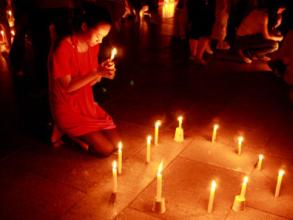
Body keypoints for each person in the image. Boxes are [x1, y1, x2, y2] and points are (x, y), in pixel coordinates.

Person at [48, 3, 120, 157]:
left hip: (86, 102)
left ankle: (77, 132)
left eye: (103, 37)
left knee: (116, 144)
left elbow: (90, 81)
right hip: (66, 106)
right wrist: (96, 72)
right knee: (106, 149)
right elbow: (68, 87)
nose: (100, 41)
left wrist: (103, 74)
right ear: (84, 26)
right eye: (98, 35)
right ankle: (71, 135)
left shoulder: (92, 46)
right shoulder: (63, 47)